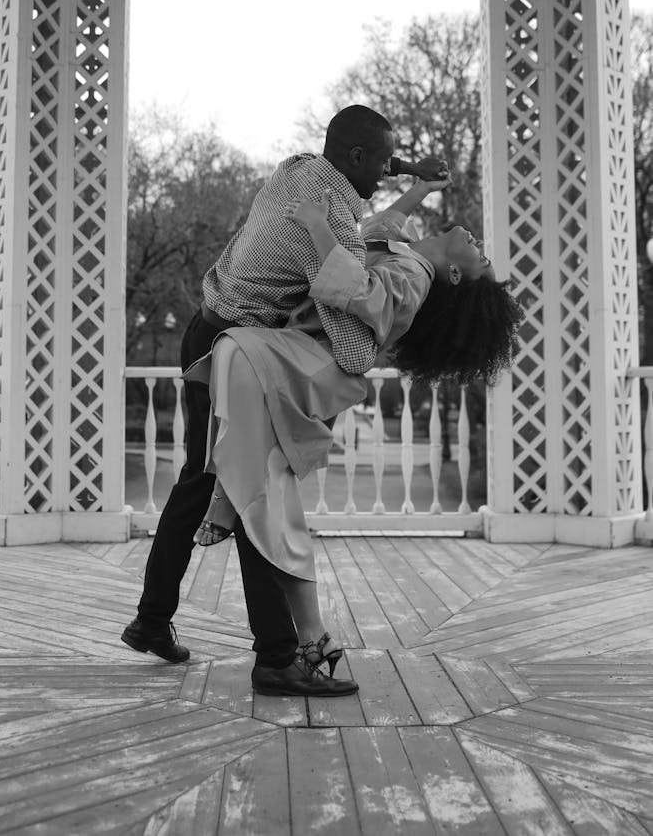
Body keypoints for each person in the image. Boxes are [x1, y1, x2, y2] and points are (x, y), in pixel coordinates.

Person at [121, 104, 448, 697]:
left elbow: (361, 173)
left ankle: (153, 620)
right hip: (233, 353)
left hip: (212, 332)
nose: (384, 176)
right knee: (251, 491)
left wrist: (410, 174)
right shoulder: (328, 226)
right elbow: (351, 346)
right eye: (380, 164)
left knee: (204, 480)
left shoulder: (300, 169)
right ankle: (273, 657)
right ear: (354, 160)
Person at [191, 174, 523, 679]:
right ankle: (311, 631)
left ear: (454, 275)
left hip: (310, 367)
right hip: (293, 359)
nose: (480, 245)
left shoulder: (416, 277)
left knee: (240, 372)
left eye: (481, 259)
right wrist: (417, 191)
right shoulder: (408, 253)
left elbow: (361, 289)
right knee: (268, 473)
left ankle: (303, 622)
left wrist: (317, 225)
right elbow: (378, 230)